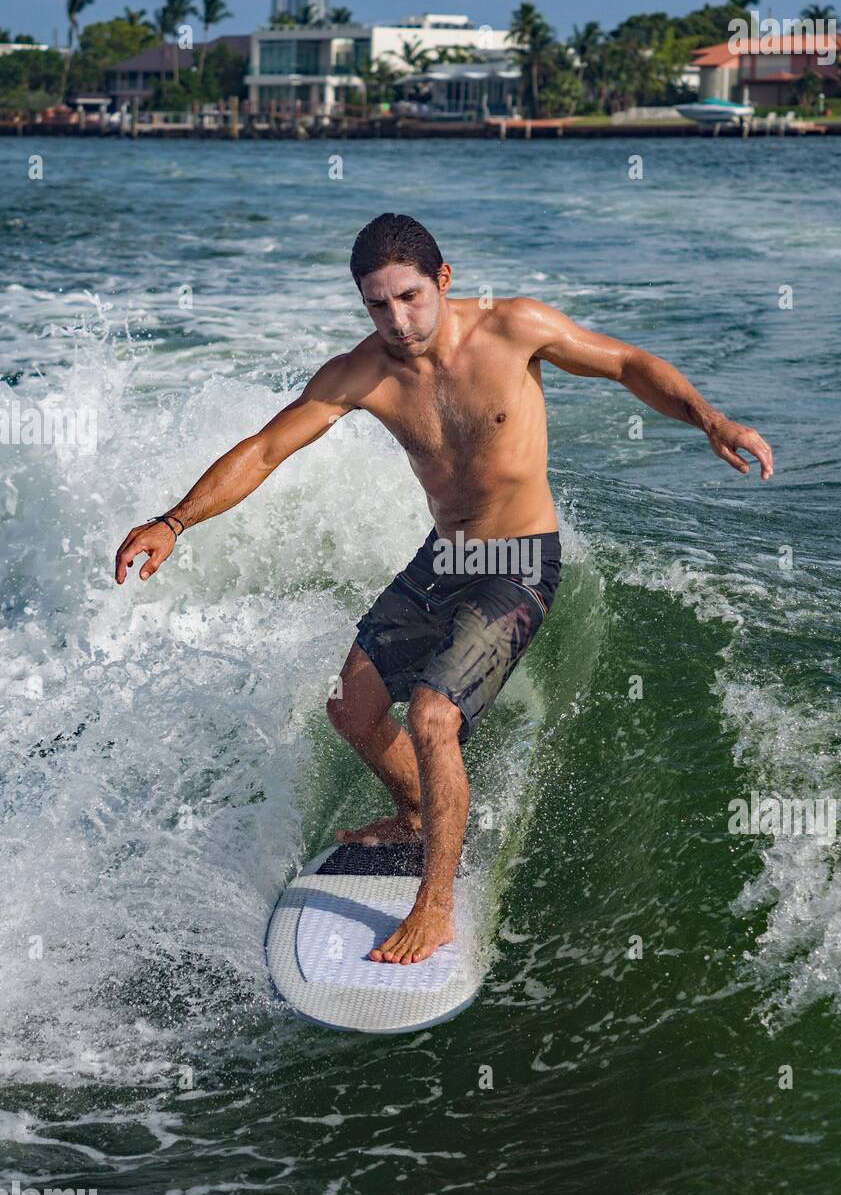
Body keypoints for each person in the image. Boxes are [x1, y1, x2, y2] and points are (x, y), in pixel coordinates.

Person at [115, 213, 773, 965]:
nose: (397, 320)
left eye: (409, 297)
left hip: (520, 560)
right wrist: (174, 521)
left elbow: (625, 363)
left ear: (444, 280)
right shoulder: (361, 372)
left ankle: (435, 905)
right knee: (353, 706)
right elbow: (266, 449)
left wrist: (708, 419)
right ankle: (416, 814)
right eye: (376, 304)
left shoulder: (513, 329)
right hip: (445, 555)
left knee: (431, 717)